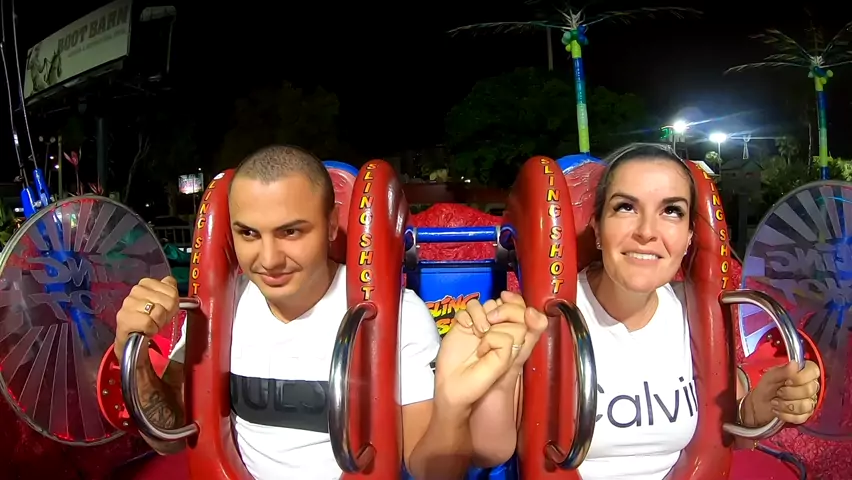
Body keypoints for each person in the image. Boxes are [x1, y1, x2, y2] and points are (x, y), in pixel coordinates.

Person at [113, 145, 547, 480]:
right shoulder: (221, 310)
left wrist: (452, 407)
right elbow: (169, 438)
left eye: (290, 232)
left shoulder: (398, 316)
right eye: (248, 233)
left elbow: (431, 470)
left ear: (330, 222)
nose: (269, 259)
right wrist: (132, 351)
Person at [470, 143, 822, 479]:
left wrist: (758, 410)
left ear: (689, 237)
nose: (646, 232)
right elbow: (489, 451)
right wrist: (503, 373)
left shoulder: (698, 316)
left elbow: (724, 433)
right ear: (597, 227)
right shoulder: (545, 316)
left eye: (671, 211)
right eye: (626, 207)